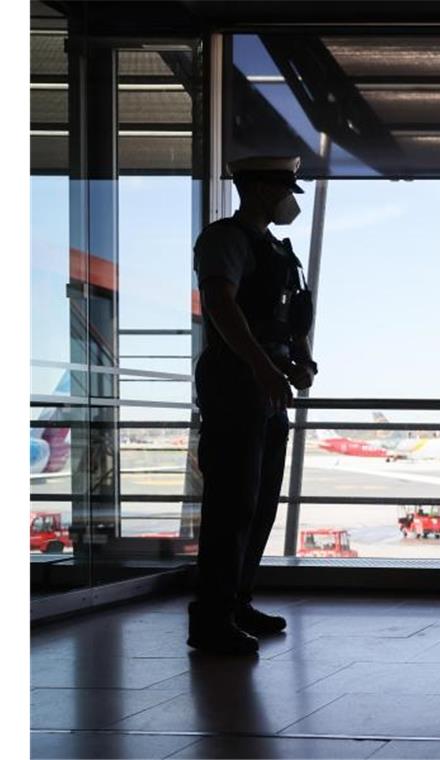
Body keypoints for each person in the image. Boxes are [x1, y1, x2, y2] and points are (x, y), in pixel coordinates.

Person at [188, 156, 319, 655]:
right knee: (232, 503)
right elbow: (221, 306)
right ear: (262, 191)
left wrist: (300, 361)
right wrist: (263, 367)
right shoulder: (226, 240)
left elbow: (291, 318)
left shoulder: (277, 253)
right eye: (287, 191)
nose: (291, 202)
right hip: (236, 382)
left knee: (260, 500)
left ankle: (236, 602)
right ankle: (212, 617)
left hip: (266, 387)